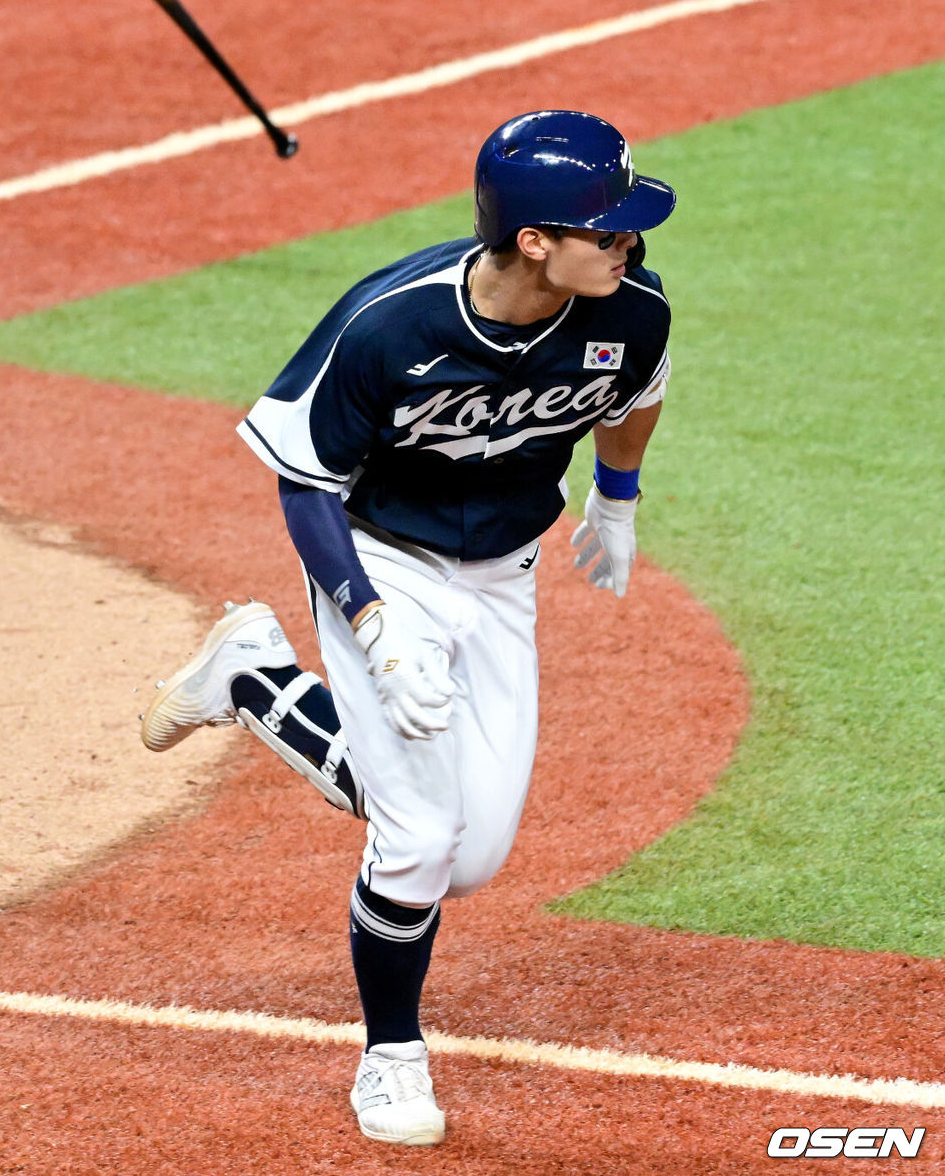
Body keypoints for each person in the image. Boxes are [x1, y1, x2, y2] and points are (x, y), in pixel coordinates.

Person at [141, 109, 676, 1146]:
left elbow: (636, 392)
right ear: (533, 241)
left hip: (503, 575)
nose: (628, 243)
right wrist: (374, 626)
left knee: (468, 860)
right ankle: (391, 1057)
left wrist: (617, 497)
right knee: (419, 837)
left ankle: (255, 681)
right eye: (604, 228)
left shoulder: (631, 307)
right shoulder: (389, 323)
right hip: (378, 559)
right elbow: (303, 483)